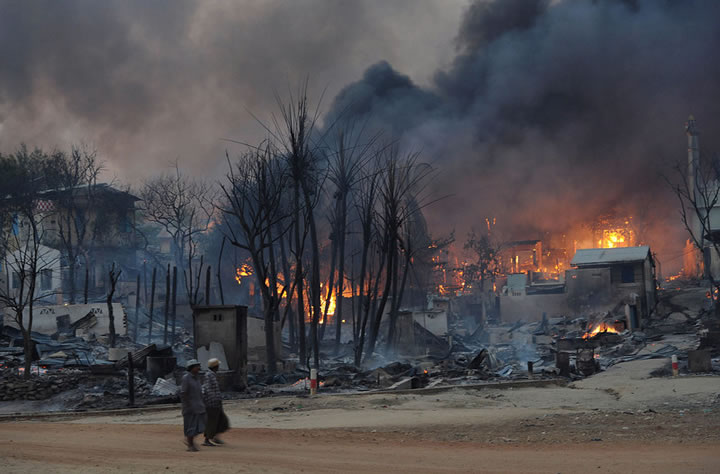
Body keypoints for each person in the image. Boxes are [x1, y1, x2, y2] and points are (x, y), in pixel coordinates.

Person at [202, 357, 230, 446]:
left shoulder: (212, 375)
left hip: (216, 403)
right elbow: (207, 389)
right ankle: (207, 440)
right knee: (212, 422)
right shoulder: (209, 375)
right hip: (212, 403)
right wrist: (212, 400)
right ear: (215, 366)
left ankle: (215, 437)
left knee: (222, 421)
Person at [180, 359, 206, 452]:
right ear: (191, 368)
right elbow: (183, 393)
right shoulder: (186, 378)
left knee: (200, 427)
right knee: (191, 427)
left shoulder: (197, 378)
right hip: (190, 408)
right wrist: (188, 405)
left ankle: (189, 440)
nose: (198, 368)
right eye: (196, 366)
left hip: (199, 407)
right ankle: (190, 444)